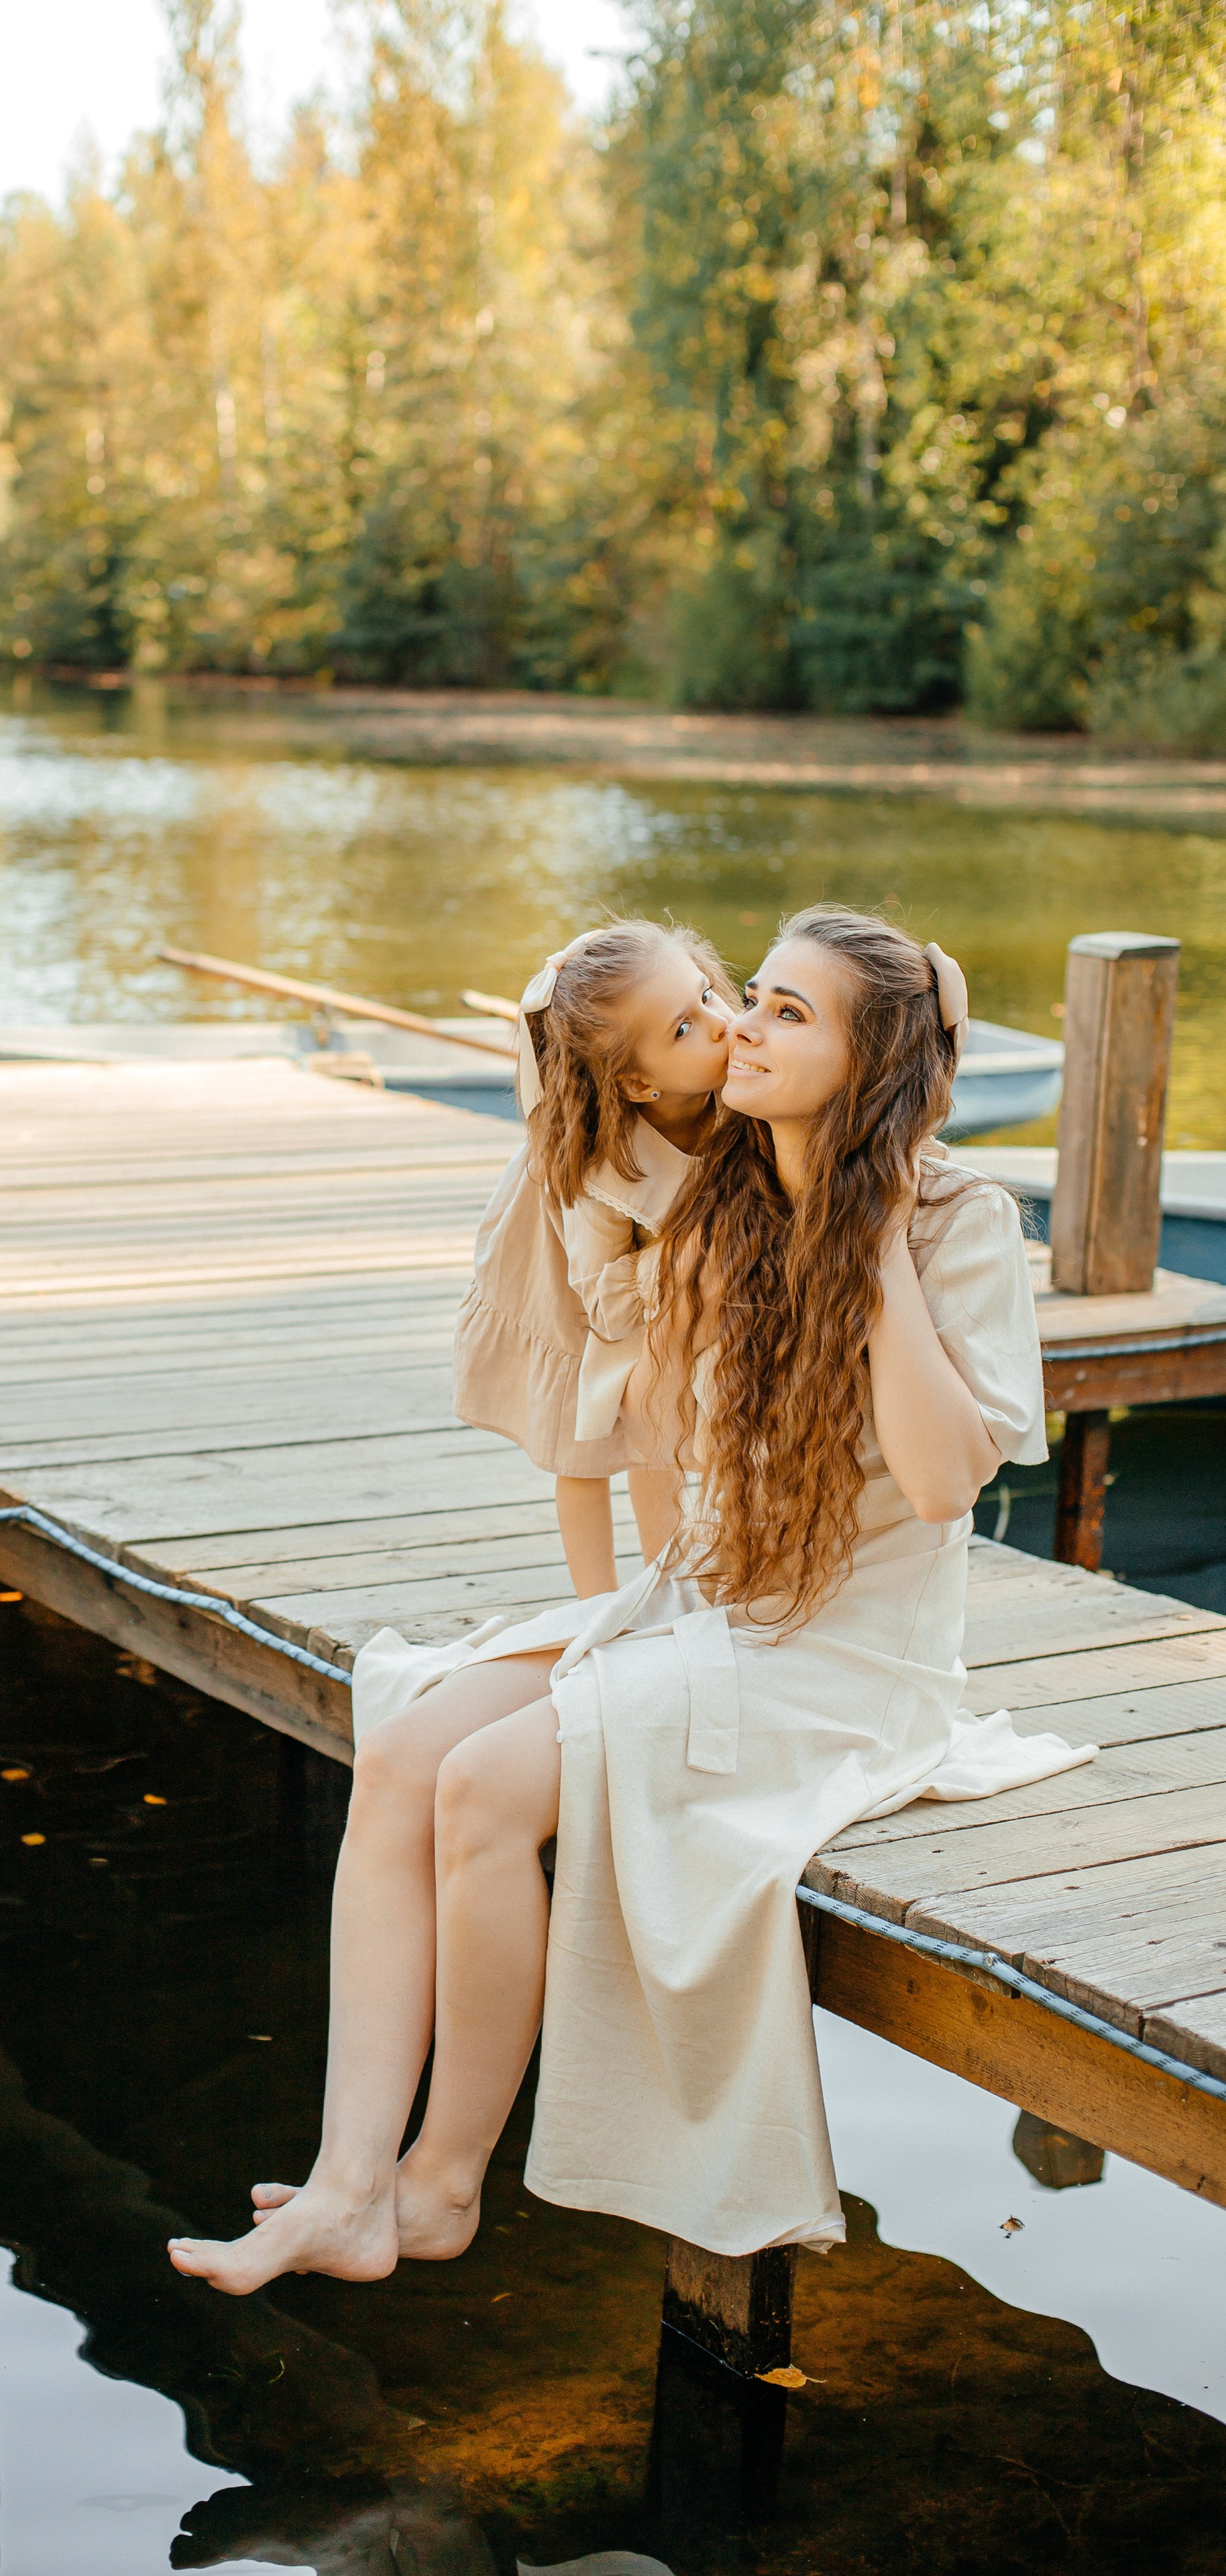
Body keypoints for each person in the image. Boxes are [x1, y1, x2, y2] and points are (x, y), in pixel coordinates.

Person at [168, 906, 1094, 2293]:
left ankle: (436, 2188)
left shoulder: (956, 1220)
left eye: (787, 1013)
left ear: (868, 1061)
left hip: (844, 1665)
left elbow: (946, 1476)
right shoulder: (712, 1195)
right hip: (705, 1611)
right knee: (412, 1739)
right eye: (745, 997)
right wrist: (631, 1626)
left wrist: (870, 1230)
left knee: (484, 1785)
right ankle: (346, 2181)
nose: (740, 1027)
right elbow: (572, 1026)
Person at [453, 919, 735, 1597]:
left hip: (658, 1283)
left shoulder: (733, 1085)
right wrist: (693, 1255)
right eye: (684, 1027)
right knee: (580, 1447)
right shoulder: (598, 1172)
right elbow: (605, 1303)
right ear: (638, 1083)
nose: (721, 1022)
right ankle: (595, 1606)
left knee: (655, 1431)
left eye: (707, 996)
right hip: (570, 1280)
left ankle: (666, 1588)